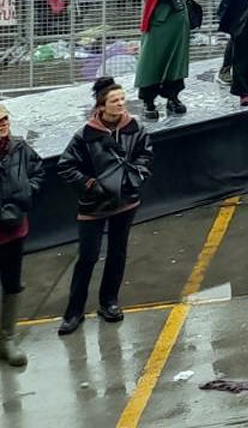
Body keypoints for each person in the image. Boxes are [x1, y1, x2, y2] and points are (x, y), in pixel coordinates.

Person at [56, 77, 152, 335]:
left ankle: (109, 302)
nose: (121, 104)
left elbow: (145, 152)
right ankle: (74, 312)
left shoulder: (135, 127)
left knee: (117, 253)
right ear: (101, 105)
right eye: (114, 100)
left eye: (122, 99)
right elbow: (65, 166)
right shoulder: (85, 135)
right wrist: (90, 185)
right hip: (94, 207)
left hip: (125, 202)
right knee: (87, 258)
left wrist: (137, 174)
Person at [0, 97, 46, 368]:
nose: (3, 125)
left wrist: (28, 193)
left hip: (15, 229)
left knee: (13, 282)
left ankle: (8, 338)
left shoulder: (20, 147)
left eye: (5, 120)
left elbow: (38, 172)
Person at [133, 0, 194, 119]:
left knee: (177, 61)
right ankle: (148, 100)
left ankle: (173, 97)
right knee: (151, 61)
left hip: (178, 18)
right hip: (158, 21)